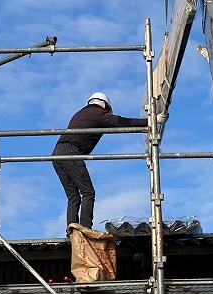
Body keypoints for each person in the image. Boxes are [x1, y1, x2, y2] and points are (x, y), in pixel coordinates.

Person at [52, 92, 166, 229]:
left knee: (73, 197)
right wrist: (152, 121)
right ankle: (85, 230)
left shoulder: (79, 114)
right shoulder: (98, 113)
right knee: (88, 192)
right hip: (71, 152)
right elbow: (123, 122)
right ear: (105, 105)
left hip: (57, 154)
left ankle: (71, 230)